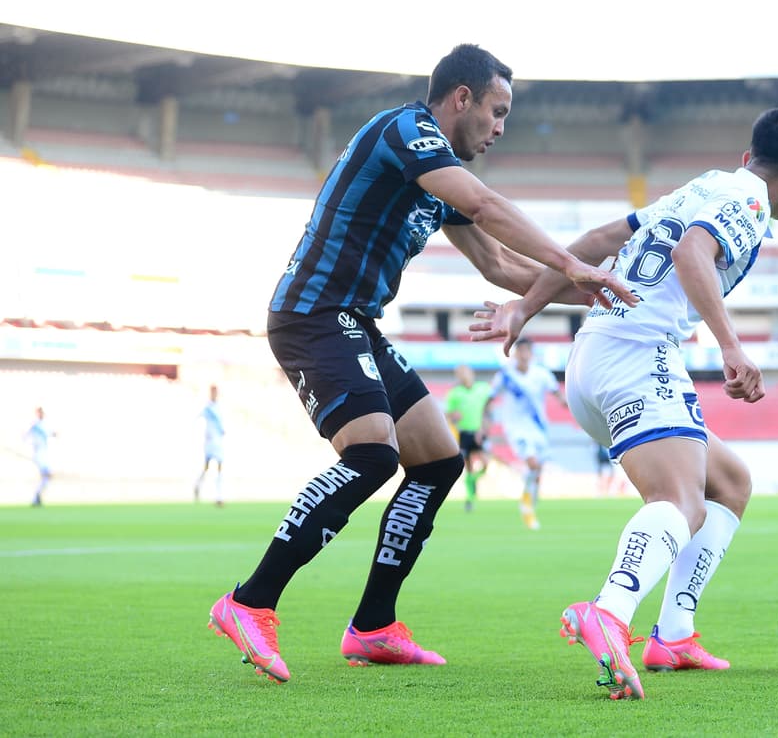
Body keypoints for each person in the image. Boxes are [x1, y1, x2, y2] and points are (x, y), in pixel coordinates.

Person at [207, 43, 637, 684]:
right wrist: (573, 261)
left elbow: (500, 266)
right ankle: (249, 601)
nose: (500, 128)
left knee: (437, 460)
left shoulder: (438, 182)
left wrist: (587, 290)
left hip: (356, 321)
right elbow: (489, 207)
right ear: (460, 98)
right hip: (315, 314)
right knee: (374, 455)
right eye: (497, 111)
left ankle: (374, 625)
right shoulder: (406, 131)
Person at [473, 107, 778, 700]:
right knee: (680, 501)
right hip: (638, 355)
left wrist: (524, 307)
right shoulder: (752, 203)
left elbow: (600, 243)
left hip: (595, 357)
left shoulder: (709, 185)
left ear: (746, 157)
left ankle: (674, 635)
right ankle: (608, 613)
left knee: (729, 483)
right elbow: (691, 255)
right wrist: (732, 347)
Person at [484, 338, 566, 530]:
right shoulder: (505, 376)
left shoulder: (541, 374)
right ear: (515, 354)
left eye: (526, 351)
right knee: (532, 463)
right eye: (519, 351)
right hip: (516, 428)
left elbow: (556, 392)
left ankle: (530, 504)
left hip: (539, 428)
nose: (523, 355)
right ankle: (527, 508)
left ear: (531, 354)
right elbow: (490, 398)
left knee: (537, 473)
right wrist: (484, 423)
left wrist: (566, 402)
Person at [443, 364, 490, 512]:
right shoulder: (455, 393)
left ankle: (473, 481)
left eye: (465, 373)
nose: (463, 376)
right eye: (459, 374)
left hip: (478, 432)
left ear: (471, 373)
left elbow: (488, 406)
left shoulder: (483, 389)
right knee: (468, 466)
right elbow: (447, 414)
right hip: (463, 434)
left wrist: (484, 428)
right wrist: (453, 416)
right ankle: (470, 498)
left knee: (485, 463)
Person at [194, 384, 227, 506]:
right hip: (209, 442)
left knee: (219, 466)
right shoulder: (207, 407)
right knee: (206, 467)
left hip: (218, 441)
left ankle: (219, 497)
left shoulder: (219, 406)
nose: (215, 394)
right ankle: (197, 485)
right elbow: (196, 419)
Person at [26, 407, 54, 507]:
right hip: (39, 454)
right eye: (40, 413)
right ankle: (36, 497)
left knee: (47, 476)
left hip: (43, 454)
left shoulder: (42, 424)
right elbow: (26, 437)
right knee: (47, 475)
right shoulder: (36, 425)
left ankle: (37, 497)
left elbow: (50, 433)